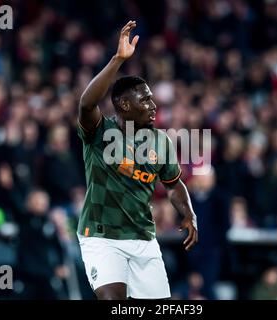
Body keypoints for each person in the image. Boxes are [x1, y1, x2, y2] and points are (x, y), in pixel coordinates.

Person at [76, 20, 198, 300]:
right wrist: (118, 59)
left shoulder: (160, 142)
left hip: (142, 238)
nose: (154, 106)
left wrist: (188, 213)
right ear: (124, 106)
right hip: (101, 235)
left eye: (152, 99)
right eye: (145, 101)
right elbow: (86, 104)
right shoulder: (100, 132)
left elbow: (173, 184)